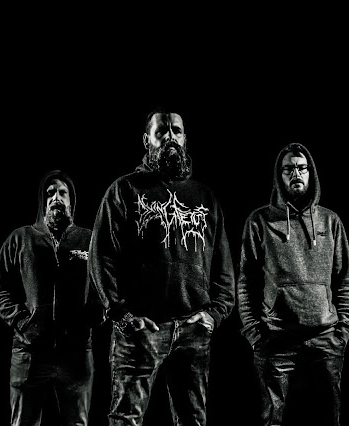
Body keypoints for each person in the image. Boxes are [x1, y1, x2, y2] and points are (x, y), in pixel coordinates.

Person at [88, 108, 236, 426]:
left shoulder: (204, 196)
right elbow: (101, 256)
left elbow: (223, 267)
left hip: (192, 329)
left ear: (185, 139)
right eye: (161, 131)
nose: (170, 137)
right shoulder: (125, 190)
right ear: (147, 140)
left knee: (192, 420)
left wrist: (215, 313)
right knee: (126, 419)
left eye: (176, 131)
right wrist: (121, 313)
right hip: (140, 330)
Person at [237, 143, 349, 426]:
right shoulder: (260, 221)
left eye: (302, 168)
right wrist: (255, 334)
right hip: (276, 341)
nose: (296, 174)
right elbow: (245, 282)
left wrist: (343, 331)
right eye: (288, 169)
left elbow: (345, 279)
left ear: (311, 173)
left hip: (325, 339)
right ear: (279, 175)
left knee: (328, 420)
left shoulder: (330, 221)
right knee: (273, 421)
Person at [0, 170, 100, 426]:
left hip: (76, 354)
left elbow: (105, 286)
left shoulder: (89, 240)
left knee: (77, 423)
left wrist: (92, 316)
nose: (56, 198)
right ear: (42, 200)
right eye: (50, 193)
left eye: (62, 193)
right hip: (29, 353)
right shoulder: (21, 238)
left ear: (71, 200)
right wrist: (22, 322)